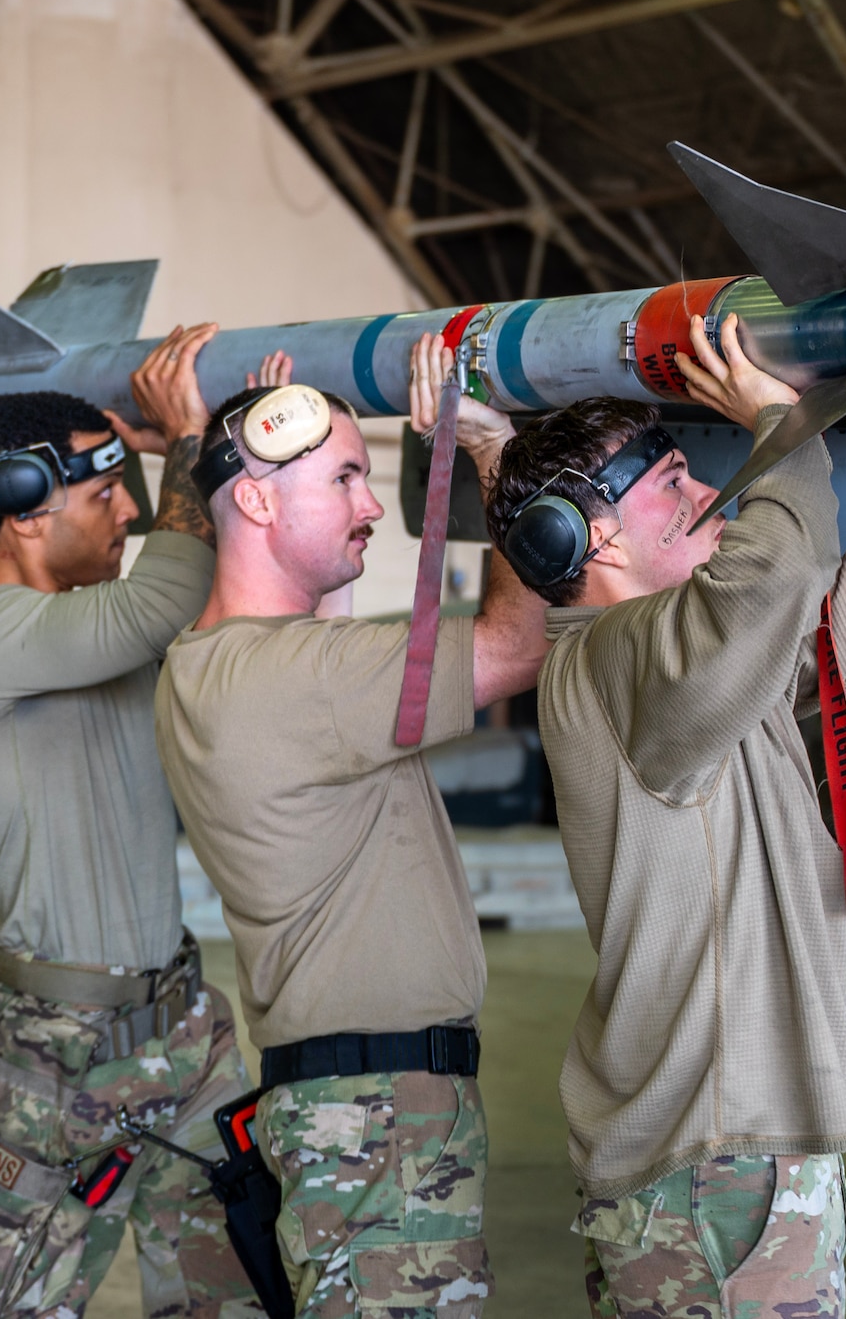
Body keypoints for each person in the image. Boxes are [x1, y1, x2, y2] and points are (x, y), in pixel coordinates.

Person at [481, 314, 846, 1318]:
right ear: (592, 535)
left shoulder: (683, 668)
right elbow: (777, 574)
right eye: (673, 483)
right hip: (718, 1168)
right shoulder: (619, 661)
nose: (711, 491)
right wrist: (779, 423)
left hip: (727, 1161)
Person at [0, 324, 274, 1319]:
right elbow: (156, 600)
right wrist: (185, 443)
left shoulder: (108, 640)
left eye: (128, 487)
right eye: (102, 494)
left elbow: (197, 593)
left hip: (180, 1023)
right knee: (6, 1302)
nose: (128, 511)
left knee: (242, 1279)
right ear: (17, 512)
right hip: (55, 1045)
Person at [155, 332, 548, 1319]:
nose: (372, 505)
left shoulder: (211, 665)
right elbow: (512, 646)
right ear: (254, 501)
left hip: (338, 1098)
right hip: (383, 1116)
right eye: (344, 479)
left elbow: (314, 618)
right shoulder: (304, 681)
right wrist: (496, 457)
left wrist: (234, 442)